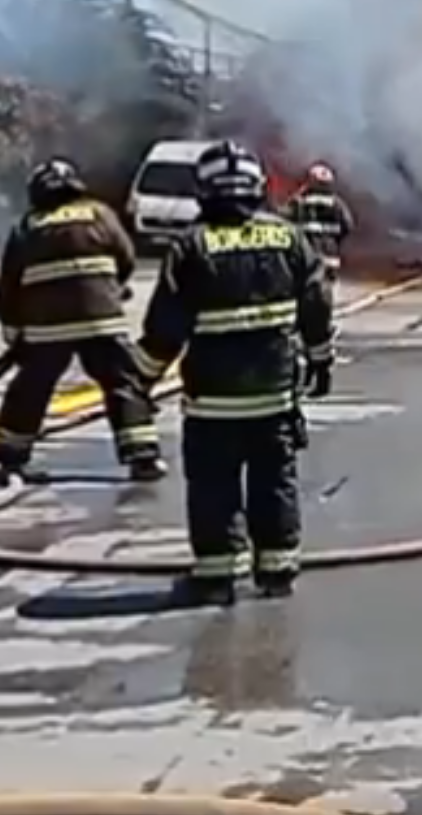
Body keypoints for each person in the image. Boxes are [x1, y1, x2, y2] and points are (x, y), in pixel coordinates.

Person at [133, 140, 336, 606]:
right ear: (256, 186)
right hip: (274, 396)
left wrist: (141, 381)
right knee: (275, 481)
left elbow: (164, 327)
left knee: (213, 487)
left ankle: (217, 576)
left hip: (212, 402)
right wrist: (321, 360)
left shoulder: (191, 246)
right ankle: (277, 572)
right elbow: (317, 306)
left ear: (205, 191)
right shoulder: (288, 238)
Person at [0, 157, 163, 481]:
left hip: (47, 327)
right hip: (102, 320)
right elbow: (126, 258)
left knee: (31, 388)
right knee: (124, 383)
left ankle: (10, 456)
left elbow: (9, 283)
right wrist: (112, 288)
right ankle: (142, 457)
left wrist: (12, 329)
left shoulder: (28, 226)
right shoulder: (100, 214)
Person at [285, 163, 356, 283]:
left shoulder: (299, 202)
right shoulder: (337, 204)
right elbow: (348, 225)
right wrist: (335, 241)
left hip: (307, 256)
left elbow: (285, 222)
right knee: (328, 290)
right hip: (330, 256)